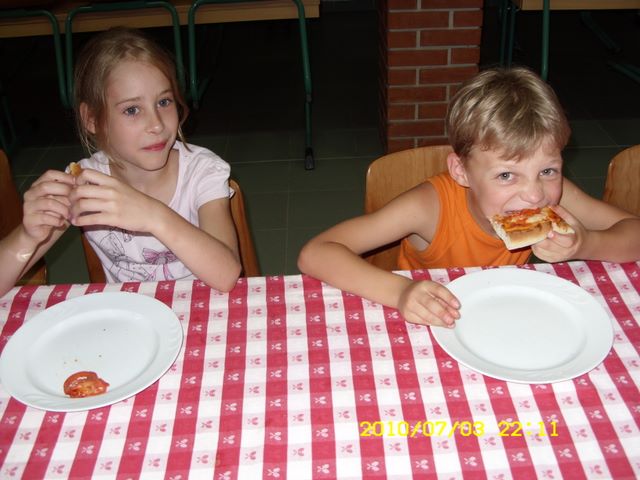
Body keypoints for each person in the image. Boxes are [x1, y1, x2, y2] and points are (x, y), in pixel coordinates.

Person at [298, 67, 640, 328]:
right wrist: (400, 292)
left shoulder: (556, 195)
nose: (535, 194)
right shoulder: (428, 207)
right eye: (506, 175)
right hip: (429, 320)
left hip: (501, 317)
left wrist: (585, 244)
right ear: (461, 171)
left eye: (547, 170)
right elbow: (316, 253)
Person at [0, 27, 241, 297]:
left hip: (201, 308)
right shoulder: (84, 185)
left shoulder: (202, 172)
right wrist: (28, 236)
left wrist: (153, 215)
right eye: (132, 109)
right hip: (127, 315)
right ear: (92, 119)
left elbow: (227, 275)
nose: (156, 124)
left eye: (164, 102)